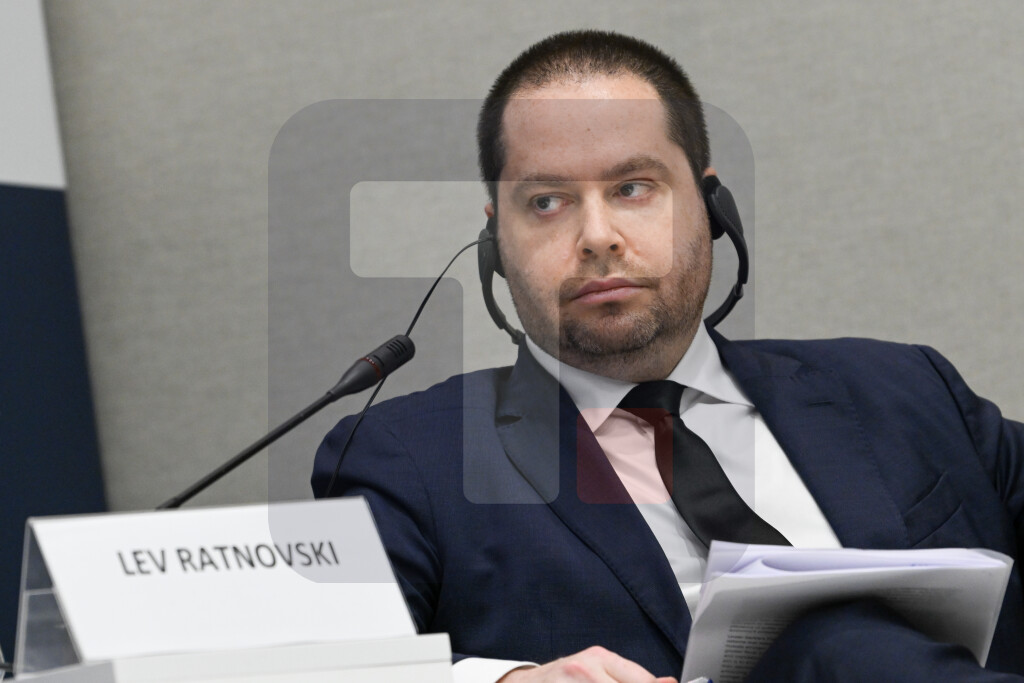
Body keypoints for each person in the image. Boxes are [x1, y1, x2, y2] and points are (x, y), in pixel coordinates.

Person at [313, 30, 1024, 682]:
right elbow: (330, 665)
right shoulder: (408, 460)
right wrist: (504, 682)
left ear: (711, 209)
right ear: (497, 242)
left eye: (632, 188)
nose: (598, 236)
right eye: (547, 202)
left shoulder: (907, 389)